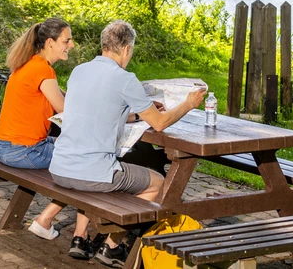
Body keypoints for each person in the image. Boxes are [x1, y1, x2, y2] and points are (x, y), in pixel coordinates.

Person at [49, 20, 206, 268]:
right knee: (159, 183)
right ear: (126, 49)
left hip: (59, 168)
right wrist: (188, 104)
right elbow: (160, 124)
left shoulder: (79, 71)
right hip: (91, 173)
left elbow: (101, 107)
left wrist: (137, 113)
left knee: (125, 173)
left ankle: (90, 237)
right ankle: (112, 245)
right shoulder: (124, 78)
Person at [0, 17, 74, 241]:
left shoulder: (28, 65)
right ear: (50, 42)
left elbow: (62, 98)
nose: (72, 45)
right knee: (84, 161)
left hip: (5, 147)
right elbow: (66, 111)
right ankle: (45, 221)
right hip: (23, 151)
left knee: (73, 153)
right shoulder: (43, 71)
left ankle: (68, 227)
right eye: (67, 41)